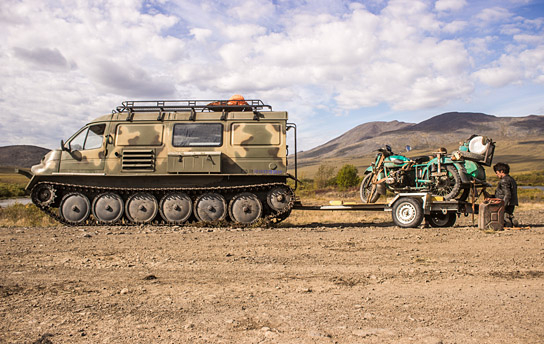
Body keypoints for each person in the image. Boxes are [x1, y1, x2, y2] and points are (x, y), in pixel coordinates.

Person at [487, 162, 518, 227]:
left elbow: (507, 194)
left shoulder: (504, 181)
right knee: (508, 214)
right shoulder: (511, 179)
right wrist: (492, 196)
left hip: (506, 202)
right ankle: (512, 221)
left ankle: (508, 223)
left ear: (501, 171)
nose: (496, 174)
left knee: (504, 217)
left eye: (497, 172)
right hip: (512, 202)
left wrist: (503, 205)